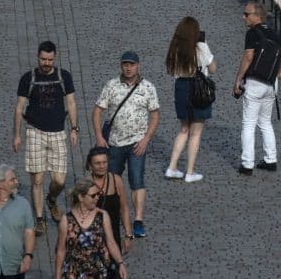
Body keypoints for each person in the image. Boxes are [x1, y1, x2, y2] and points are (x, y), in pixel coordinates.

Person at [12, 40, 79, 237]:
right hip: (35, 131)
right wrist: (16, 135)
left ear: (55, 57)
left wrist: (74, 129)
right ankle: (39, 219)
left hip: (58, 131)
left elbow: (72, 103)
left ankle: (51, 199)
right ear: (37, 57)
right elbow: (19, 108)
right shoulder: (28, 78)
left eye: (50, 59)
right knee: (38, 179)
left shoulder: (63, 76)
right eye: (43, 59)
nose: (46, 63)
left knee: (59, 179)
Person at [92, 51, 160, 239]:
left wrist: (146, 139)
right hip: (114, 142)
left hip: (137, 143)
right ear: (121, 66)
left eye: (132, 64)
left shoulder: (148, 87)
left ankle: (137, 220)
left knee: (137, 180)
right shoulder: (111, 86)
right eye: (125, 64)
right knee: (111, 180)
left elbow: (155, 115)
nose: (128, 68)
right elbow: (98, 111)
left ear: (138, 66)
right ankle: (108, 215)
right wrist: (99, 136)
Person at [233, 1, 281, 175]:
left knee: (249, 124)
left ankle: (247, 164)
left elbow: (248, 57)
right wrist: (278, 75)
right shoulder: (273, 33)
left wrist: (238, 80)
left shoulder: (252, 33)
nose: (243, 17)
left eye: (247, 14)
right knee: (265, 122)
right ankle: (270, 159)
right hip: (271, 84)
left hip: (254, 83)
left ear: (257, 16)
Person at [55, 179, 127, 279]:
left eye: (98, 194)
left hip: (100, 277)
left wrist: (120, 263)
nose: (97, 198)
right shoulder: (66, 220)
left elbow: (111, 242)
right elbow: (60, 250)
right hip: (75, 278)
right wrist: (57, 278)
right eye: (93, 195)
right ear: (81, 197)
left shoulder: (102, 216)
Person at [164, 17, 217, 183]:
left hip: (180, 88)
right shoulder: (200, 46)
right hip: (198, 88)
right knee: (196, 133)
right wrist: (206, 45)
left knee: (183, 129)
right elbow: (213, 68)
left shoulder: (176, 47)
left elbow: (171, 71)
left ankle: (172, 167)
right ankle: (190, 171)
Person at [85, 147, 133, 252]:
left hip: (113, 238)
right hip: (92, 240)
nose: (102, 166)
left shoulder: (116, 181)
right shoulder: (85, 185)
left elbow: (124, 208)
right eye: (97, 163)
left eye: (104, 162)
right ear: (90, 165)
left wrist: (128, 235)